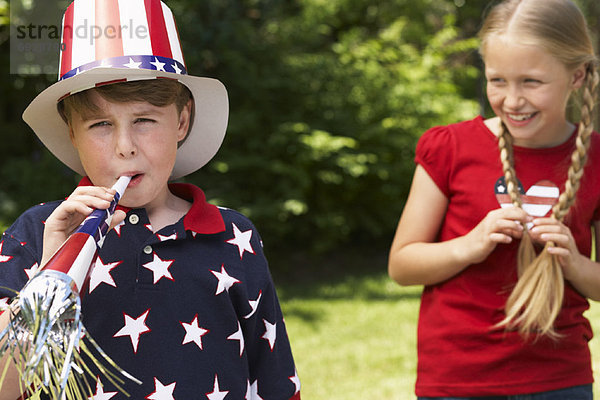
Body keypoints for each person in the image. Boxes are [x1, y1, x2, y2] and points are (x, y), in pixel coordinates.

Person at [0, 0, 301, 399]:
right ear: (72, 133)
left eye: (144, 120)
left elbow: (274, 379)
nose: (125, 147)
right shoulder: (38, 231)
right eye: (100, 124)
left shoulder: (234, 235)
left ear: (181, 121)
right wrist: (52, 270)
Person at [387, 0, 600, 398]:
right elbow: (402, 265)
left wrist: (574, 262)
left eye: (531, 82)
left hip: (559, 380)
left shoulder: (598, 160)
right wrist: (471, 245)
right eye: (497, 80)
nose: (512, 100)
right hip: (457, 379)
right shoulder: (450, 147)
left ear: (577, 76)